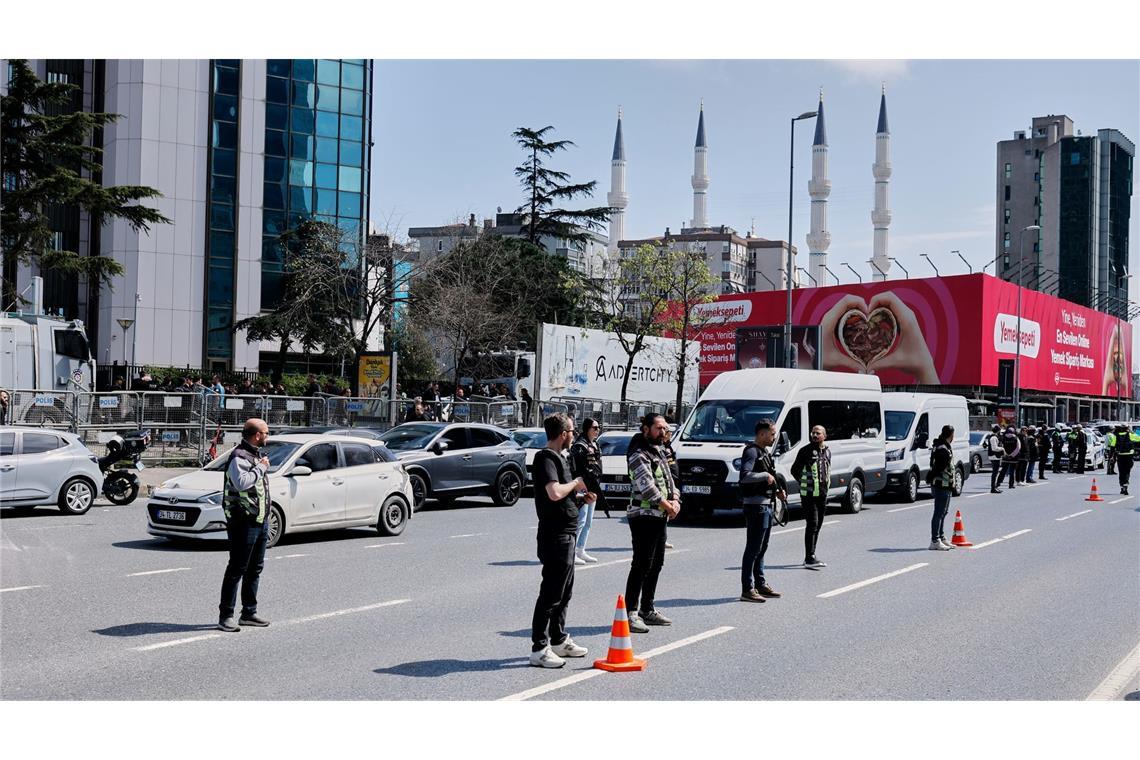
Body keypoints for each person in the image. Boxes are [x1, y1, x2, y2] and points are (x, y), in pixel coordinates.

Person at [529, 413, 594, 668]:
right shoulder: (545, 458)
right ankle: (538, 648)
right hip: (554, 535)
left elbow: (563, 497)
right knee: (551, 593)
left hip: (567, 532)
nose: (574, 434)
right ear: (563, 433)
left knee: (565, 592)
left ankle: (558, 639)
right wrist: (576, 483)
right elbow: (554, 493)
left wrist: (580, 498)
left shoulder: (561, 458)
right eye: (572, 430)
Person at [624, 413, 680, 632]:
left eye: (665, 428)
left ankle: (647, 609)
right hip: (643, 515)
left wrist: (676, 500)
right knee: (641, 564)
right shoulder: (638, 453)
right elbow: (647, 486)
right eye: (659, 428)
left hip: (660, 515)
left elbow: (670, 479)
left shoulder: (660, 451)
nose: (663, 432)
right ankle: (631, 612)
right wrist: (667, 504)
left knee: (656, 564)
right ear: (645, 429)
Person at [217, 418, 272, 632]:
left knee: (255, 569)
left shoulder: (254, 455)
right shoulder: (239, 456)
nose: (268, 436)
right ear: (257, 435)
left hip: (259, 520)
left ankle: (249, 612)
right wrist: (261, 468)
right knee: (237, 568)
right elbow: (242, 482)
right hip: (243, 522)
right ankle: (226, 616)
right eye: (266, 432)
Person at [738, 419, 785, 601]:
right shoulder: (751, 451)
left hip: (765, 504)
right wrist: (765, 475)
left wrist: (778, 491)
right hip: (755, 506)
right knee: (753, 548)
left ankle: (760, 584)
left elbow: (769, 476)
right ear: (762, 434)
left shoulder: (763, 452)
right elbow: (745, 476)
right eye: (772, 434)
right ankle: (747, 589)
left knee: (762, 548)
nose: (774, 437)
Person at [791, 424, 831, 569]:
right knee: (812, 523)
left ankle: (812, 555)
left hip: (822, 494)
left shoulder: (827, 451)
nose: (814, 435)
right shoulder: (805, 451)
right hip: (808, 495)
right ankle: (809, 557)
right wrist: (804, 482)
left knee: (819, 524)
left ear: (824, 436)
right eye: (813, 433)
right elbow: (794, 470)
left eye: (817, 433)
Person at [569, 418, 606, 563]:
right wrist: (582, 490)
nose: (597, 430)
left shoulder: (594, 444)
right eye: (594, 428)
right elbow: (577, 470)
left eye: (598, 427)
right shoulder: (579, 446)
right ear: (587, 429)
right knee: (581, 520)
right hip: (583, 487)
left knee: (588, 521)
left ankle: (580, 549)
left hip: (594, 486)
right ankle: (571, 552)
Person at [928, 425, 957, 551]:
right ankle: (935, 540)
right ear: (951, 435)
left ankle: (941, 537)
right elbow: (938, 468)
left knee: (943, 512)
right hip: (941, 485)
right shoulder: (943, 449)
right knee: (939, 513)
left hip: (945, 485)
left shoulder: (941, 446)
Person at [662, 427, 679, 549]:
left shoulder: (669, 446)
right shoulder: (660, 447)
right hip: (664, 483)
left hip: (672, 480)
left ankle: (663, 538)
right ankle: (661, 539)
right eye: (668, 432)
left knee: (666, 516)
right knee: (664, 513)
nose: (670, 434)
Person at [1113, 425, 1138, 495]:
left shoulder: (1116, 435)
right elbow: (1138, 438)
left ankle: (1121, 487)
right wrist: (1132, 432)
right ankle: (1125, 485)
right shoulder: (1130, 435)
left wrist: (1112, 456)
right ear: (1127, 428)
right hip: (1129, 455)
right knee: (1127, 471)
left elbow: (1112, 446)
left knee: (1121, 471)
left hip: (1120, 455)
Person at [999, 425, 1021, 490]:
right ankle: (1011, 485)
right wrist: (1012, 455)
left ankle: (998, 482)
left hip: (1005, 457)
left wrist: (1006, 454)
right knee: (1012, 472)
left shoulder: (1003, 438)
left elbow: (1001, 447)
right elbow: (1018, 448)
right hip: (1013, 458)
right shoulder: (1016, 438)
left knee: (1003, 470)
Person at [985, 424, 1004, 493]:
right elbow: (994, 448)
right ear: (998, 430)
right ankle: (993, 488)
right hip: (994, 456)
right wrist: (1002, 449)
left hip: (995, 456)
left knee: (995, 472)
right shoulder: (993, 437)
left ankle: (994, 487)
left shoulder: (994, 437)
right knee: (995, 473)